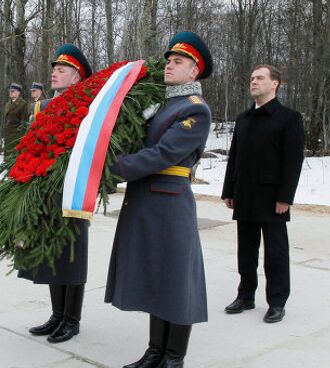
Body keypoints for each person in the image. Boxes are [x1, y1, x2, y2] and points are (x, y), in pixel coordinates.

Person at [104, 32, 213, 367]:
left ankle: (173, 356)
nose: (169, 66)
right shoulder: (161, 104)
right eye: (168, 61)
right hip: (146, 200)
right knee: (155, 276)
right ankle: (155, 352)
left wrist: (113, 168)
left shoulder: (195, 110)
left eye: (178, 62)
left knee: (176, 279)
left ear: (194, 72)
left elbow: (163, 154)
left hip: (169, 202)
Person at [19, 44, 92, 344]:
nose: (55, 73)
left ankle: (72, 318)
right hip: (44, 189)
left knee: (71, 253)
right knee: (51, 252)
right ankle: (56, 314)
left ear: (76, 78)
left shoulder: (86, 106)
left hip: (71, 188)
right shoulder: (43, 107)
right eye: (54, 69)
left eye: (62, 70)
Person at [221, 64, 305, 324]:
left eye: (259, 78)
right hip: (245, 195)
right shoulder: (244, 118)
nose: (253, 82)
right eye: (251, 78)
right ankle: (246, 295)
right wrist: (229, 190)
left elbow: (293, 162)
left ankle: (277, 302)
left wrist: (285, 198)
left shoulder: (288, 118)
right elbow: (234, 156)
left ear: (275, 83)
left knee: (275, 254)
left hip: (272, 199)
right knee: (245, 250)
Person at [3, 83, 27, 159]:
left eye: (13, 91)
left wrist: (19, 133)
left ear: (18, 92)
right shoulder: (7, 104)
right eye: (10, 91)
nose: (11, 93)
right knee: (7, 157)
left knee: (14, 158)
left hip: (16, 135)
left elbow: (24, 121)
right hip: (7, 134)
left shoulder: (23, 104)